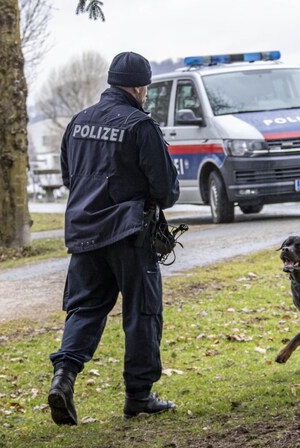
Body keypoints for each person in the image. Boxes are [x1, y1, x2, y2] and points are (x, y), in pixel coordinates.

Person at [48, 51, 180, 426]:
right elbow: (166, 191)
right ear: (140, 87)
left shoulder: (78, 122)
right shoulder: (141, 126)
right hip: (129, 234)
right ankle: (139, 396)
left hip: (84, 232)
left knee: (85, 309)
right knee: (142, 311)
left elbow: (69, 177)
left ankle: (64, 377)